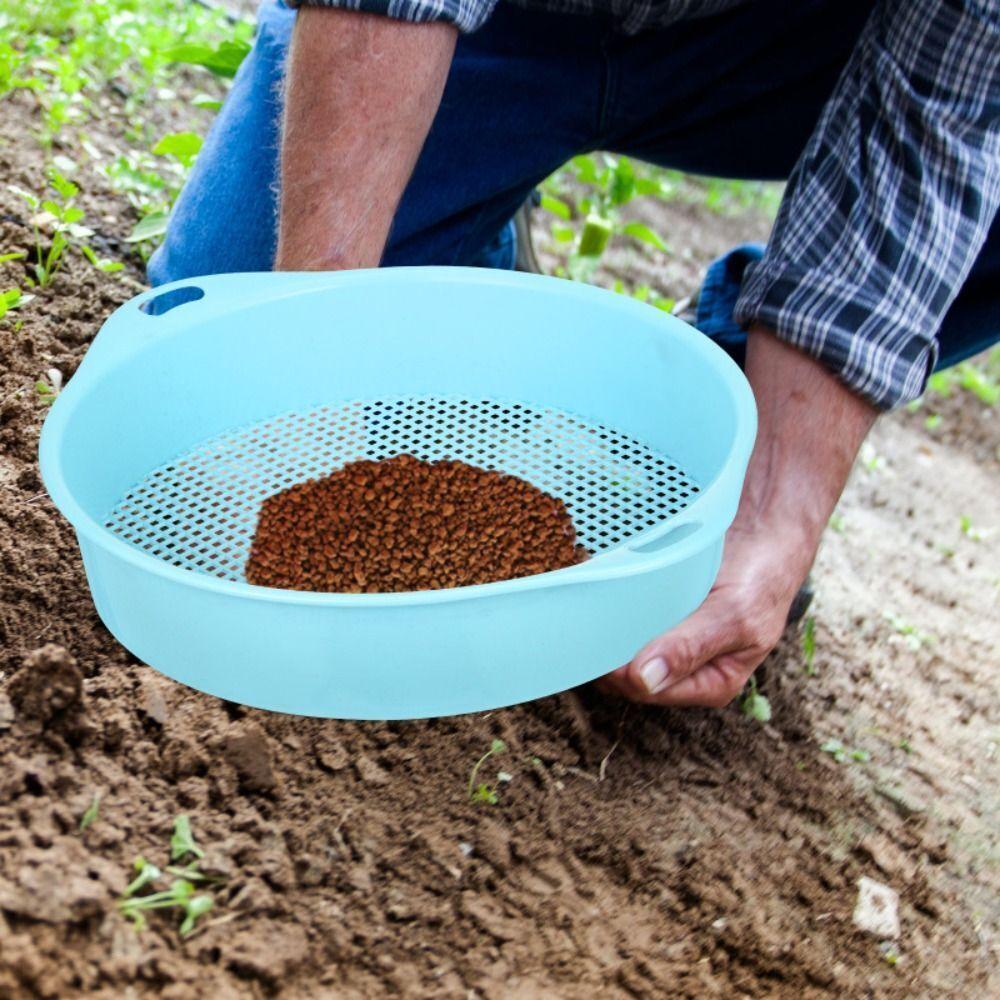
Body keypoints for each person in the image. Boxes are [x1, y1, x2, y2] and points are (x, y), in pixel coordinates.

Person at [150, 0, 999, 709]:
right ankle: (471, 256)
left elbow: (938, 120)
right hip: (503, 23)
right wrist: (312, 344)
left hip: (788, 45)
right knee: (221, 346)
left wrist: (775, 511)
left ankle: (720, 415)